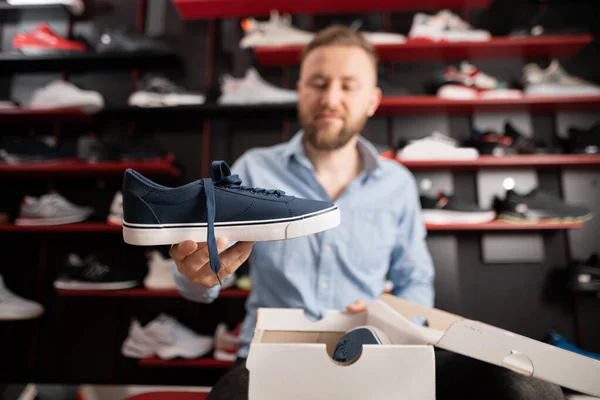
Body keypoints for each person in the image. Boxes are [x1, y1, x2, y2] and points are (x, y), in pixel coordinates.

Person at [170, 26, 564, 400]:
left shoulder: (398, 184)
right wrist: (198, 274)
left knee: (527, 383)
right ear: (300, 90)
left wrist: (392, 317)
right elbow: (202, 278)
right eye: (319, 84)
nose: (330, 98)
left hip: (378, 355)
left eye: (348, 85)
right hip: (273, 358)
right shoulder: (252, 170)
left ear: (372, 100)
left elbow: (416, 281)